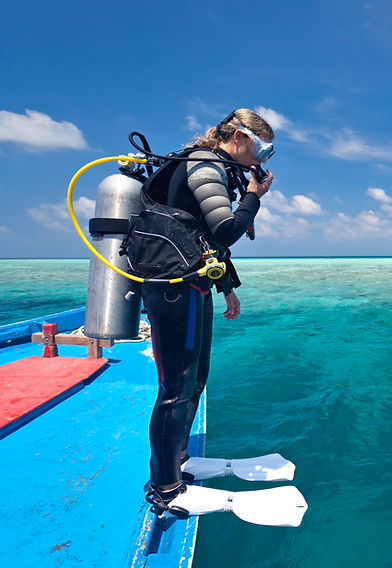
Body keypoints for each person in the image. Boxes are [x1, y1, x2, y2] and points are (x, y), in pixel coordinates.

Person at [143, 108, 275, 512]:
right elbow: (225, 229)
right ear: (238, 137)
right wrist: (254, 196)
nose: (261, 159)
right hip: (173, 287)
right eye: (261, 150)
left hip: (193, 283)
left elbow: (200, 237)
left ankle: (179, 459)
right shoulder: (204, 165)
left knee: (196, 377)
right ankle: (165, 487)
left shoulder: (216, 167)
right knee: (176, 387)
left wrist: (226, 287)